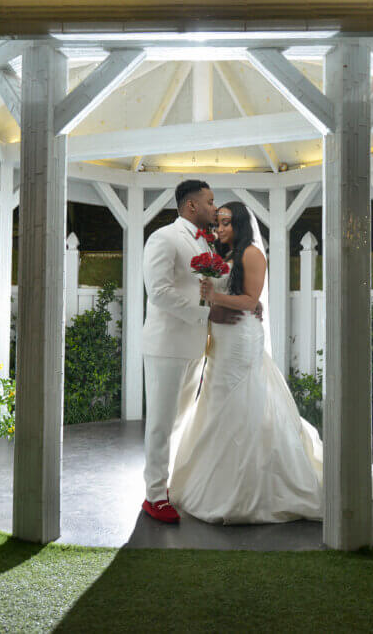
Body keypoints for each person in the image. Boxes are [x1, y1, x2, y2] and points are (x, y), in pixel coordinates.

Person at [167, 202, 373, 524]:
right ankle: (213, 482)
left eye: (226, 222)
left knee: (240, 403)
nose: (220, 228)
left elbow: (251, 301)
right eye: (218, 223)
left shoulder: (252, 254)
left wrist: (215, 296)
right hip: (221, 340)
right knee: (215, 405)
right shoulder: (223, 257)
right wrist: (208, 295)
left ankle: (249, 489)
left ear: (239, 223)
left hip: (241, 340)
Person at [139, 179, 220, 523]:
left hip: (195, 347)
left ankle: (168, 485)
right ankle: (154, 496)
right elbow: (158, 291)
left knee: (179, 421)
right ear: (191, 206)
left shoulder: (207, 245)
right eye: (210, 202)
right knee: (160, 422)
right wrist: (204, 313)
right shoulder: (164, 238)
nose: (215, 208)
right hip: (167, 345)